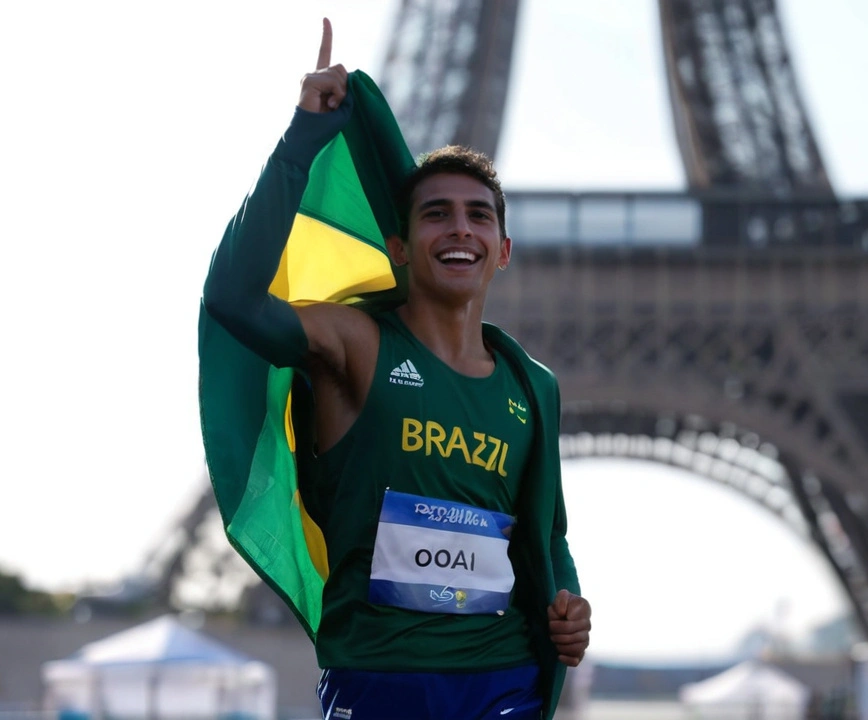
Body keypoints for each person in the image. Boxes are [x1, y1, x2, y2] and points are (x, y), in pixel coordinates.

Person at [202, 18, 591, 720]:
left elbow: (547, 535)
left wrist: (568, 600)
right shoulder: (356, 343)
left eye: (478, 216)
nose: (460, 229)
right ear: (400, 247)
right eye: (436, 215)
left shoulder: (532, 387)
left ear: (502, 250)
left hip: (502, 678)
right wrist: (304, 137)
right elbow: (233, 300)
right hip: (380, 678)